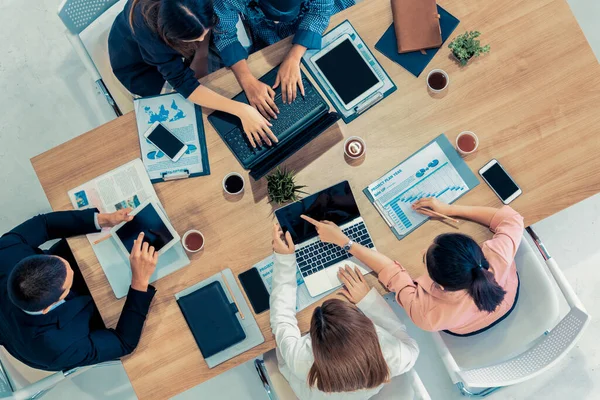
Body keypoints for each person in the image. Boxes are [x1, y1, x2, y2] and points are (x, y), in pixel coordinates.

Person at [300, 199, 524, 336]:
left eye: (425, 259)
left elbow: (392, 273)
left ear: (440, 287)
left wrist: (345, 242)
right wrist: (449, 208)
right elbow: (512, 219)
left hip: (465, 328)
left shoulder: (426, 314)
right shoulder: (498, 257)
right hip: (508, 297)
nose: (421, 253)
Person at [270, 223, 419, 399]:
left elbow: (281, 318)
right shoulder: (397, 355)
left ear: (313, 342)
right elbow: (398, 332)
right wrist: (367, 300)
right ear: (367, 327)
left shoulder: (302, 360)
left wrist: (285, 260)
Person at [0, 208, 159, 371]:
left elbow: (44, 224)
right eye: (68, 280)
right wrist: (139, 282)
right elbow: (123, 342)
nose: (72, 270)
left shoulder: (6, 251)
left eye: (60, 262)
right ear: (50, 306)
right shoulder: (57, 348)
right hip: (92, 316)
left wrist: (101, 220)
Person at [109, 0, 276, 148]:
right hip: (141, 67)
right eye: (195, 38)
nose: (202, 38)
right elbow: (182, 82)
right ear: (172, 36)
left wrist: (202, 54)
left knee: (222, 76)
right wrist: (241, 110)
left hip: (183, 32)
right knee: (186, 119)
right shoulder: (147, 29)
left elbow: (206, 33)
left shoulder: (196, 18)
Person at [213, 0, 354, 117]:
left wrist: (294, 56)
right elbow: (224, 35)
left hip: (311, 20)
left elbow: (320, 11)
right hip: (268, 35)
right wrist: (247, 81)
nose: (276, 22)